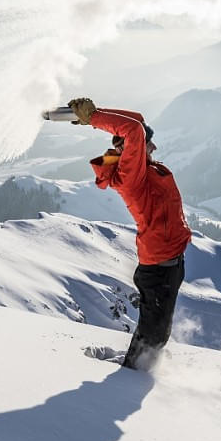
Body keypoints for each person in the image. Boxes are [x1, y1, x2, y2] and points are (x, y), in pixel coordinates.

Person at [67, 96, 191, 370]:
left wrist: (95, 115)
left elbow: (137, 121)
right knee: (154, 333)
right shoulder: (131, 178)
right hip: (159, 267)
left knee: (158, 330)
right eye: (148, 144)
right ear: (130, 152)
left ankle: (142, 365)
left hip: (169, 262)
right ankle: (132, 376)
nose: (154, 146)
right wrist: (95, 119)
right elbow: (133, 130)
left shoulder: (140, 168)